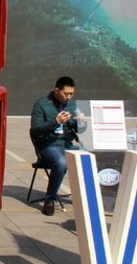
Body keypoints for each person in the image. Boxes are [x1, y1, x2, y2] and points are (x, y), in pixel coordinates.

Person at [30, 76, 84, 216]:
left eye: (71, 94)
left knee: (90, 156)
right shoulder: (41, 104)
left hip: (67, 144)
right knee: (61, 162)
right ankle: (50, 200)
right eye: (66, 93)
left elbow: (79, 130)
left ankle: (89, 197)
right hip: (48, 145)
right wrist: (56, 121)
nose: (68, 97)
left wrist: (81, 123)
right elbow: (36, 130)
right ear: (56, 90)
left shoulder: (72, 105)